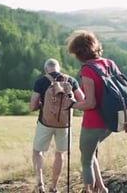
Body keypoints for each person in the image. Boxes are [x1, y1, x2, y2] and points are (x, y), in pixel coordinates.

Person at [66, 30, 117, 193]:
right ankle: (101, 188)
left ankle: (89, 190)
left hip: (94, 122)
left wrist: (71, 104)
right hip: (111, 121)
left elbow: (90, 103)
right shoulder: (109, 63)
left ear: (79, 53)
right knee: (92, 152)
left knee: (86, 159)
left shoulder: (88, 69)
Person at [29, 58, 85, 193]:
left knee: (37, 152)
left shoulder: (41, 81)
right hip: (65, 125)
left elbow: (32, 107)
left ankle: (40, 184)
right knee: (60, 154)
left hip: (45, 123)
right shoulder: (71, 81)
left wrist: (43, 105)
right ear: (58, 68)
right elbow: (83, 101)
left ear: (46, 69)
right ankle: (53, 187)